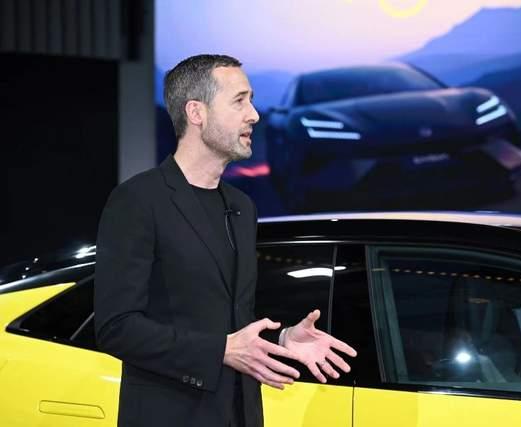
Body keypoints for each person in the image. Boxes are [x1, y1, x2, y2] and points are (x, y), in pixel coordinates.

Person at [94, 54, 357, 427]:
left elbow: (230, 319)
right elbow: (116, 327)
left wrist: (282, 339)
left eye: (251, 101)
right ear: (196, 113)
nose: (254, 115)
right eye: (239, 101)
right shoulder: (138, 200)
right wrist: (221, 350)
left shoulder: (242, 206)